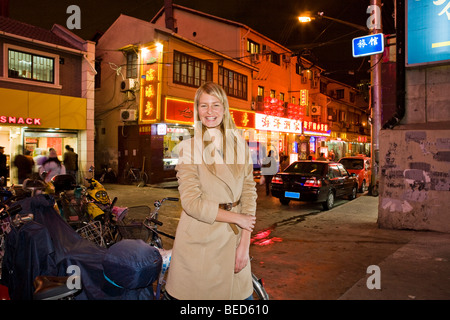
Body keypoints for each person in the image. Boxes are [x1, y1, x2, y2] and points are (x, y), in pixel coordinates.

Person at [165, 82, 257, 300]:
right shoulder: (188, 148)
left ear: (224, 108)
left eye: (215, 105)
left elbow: (249, 194)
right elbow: (191, 203)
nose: (210, 112)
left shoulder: (240, 145)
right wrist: (237, 218)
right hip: (201, 242)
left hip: (235, 239)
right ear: (197, 110)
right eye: (204, 106)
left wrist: (245, 244)